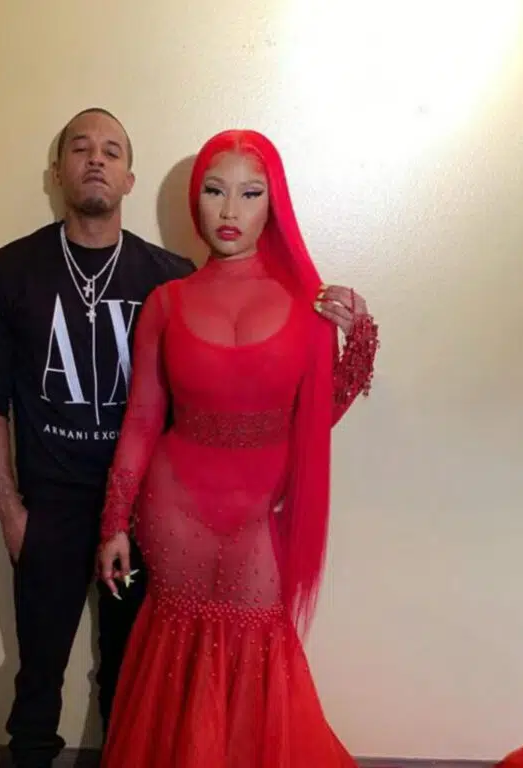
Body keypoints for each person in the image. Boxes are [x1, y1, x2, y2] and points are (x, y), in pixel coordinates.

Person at [96, 129, 380, 767]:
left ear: (273, 205)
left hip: (259, 514)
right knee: (176, 660)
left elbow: (317, 417)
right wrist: (114, 522)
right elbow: (141, 420)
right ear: (195, 200)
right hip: (173, 511)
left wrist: (358, 338)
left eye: (250, 194)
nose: (229, 210)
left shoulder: (309, 306)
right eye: (214, 191)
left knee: (256, 658)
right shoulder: (166, 303)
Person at [0, 107, 195, 768]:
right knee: (39, 674)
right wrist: (11, 514)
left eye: (112, 151)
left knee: (130, 674)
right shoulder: (8, 272)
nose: (96, 159)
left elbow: (206, 391)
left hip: (143, 512)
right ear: (57, 171)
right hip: (51, 510)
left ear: (129, 179)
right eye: (81, 148)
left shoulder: (171, 277)